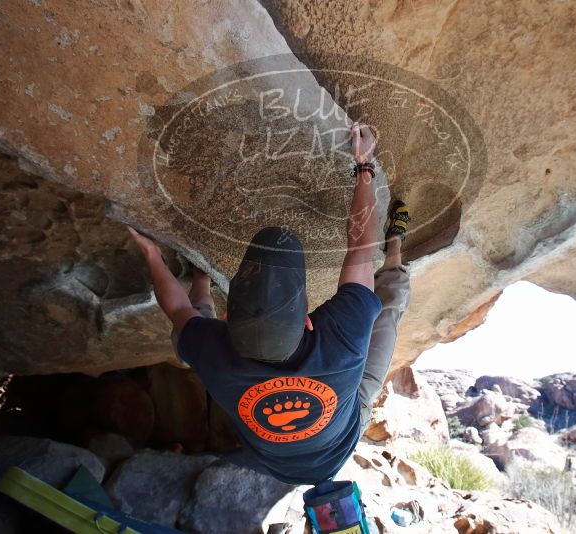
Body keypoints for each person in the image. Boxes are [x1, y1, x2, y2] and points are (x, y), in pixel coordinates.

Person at [129, 123, 411, 485]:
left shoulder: (217, 355)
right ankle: (398, 243)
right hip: (344, 430)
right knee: (386, 305)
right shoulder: (340, 342)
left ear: (228, 319)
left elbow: (178, 310)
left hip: (277, 461)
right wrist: (364, 164)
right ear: (310, 321)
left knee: (189, 333)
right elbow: (361, 251)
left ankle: (201, 277)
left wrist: (153, 255)